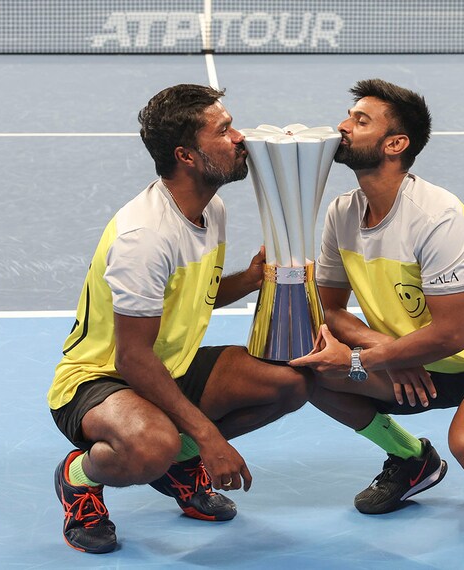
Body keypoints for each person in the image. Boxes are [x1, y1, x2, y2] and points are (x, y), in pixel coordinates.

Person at [48, 84, 311, 554]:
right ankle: (79, 478)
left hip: (170, 366)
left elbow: (195, 297)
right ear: (187, 156)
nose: (240, 138)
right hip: (101, 380)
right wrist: (208, 437)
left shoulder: (212, 209)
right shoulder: (145, 237)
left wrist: (251, 279)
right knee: (153, 445)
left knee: (288, 384)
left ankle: (178, 464)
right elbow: (131, 358)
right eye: (225, 130)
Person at [290, 79, 464, 538]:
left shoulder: (436, 217)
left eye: (360, 120)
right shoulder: (341, 213)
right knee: (308, 369)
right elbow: (330, 310)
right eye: (350, 116)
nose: (342, 126)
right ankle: (412, 459)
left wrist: (361, 358)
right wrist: (392, 349)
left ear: (395, 144)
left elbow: (451, 335)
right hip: (411, 358)